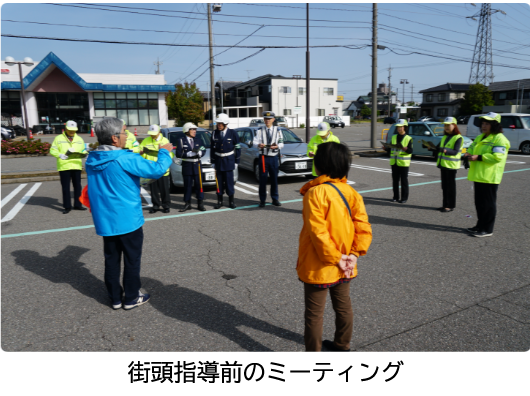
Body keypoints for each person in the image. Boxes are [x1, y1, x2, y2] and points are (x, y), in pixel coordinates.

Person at [85, 118, 174, 310]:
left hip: (105, 220)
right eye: (125, 132)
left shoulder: (91, 159)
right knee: (132, 259)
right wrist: (165, 151)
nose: (128, 136)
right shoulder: (125, 158)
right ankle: (132, 297)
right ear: (115, 138)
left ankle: (115, 298)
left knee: (111, 259)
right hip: (128, 219)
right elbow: (157, 170)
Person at [297, 142, 372, 352]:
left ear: (320, 164)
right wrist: (355, 254)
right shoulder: (351, 192)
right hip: (347, 261)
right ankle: (342, 345)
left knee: (314, 314)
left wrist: (335, 257)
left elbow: (318, 232)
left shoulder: (316, 193)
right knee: (343, 305)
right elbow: (363, 226)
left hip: (319, 263)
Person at [464, 112, 510, 238]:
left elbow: (497, 157)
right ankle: (480, 225)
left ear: (495, 125)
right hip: (479, 175)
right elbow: (471, 148)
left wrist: (478, 157)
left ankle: (487, 229)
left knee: (488, 204)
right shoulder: (481, 137)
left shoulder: (500, 139)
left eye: (487, 124)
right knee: (479, 203)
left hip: (490, 177)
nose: (484, 126)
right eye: (483, 123)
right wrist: (467, 154)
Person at [49, 120, 88, 214]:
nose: (72, 132)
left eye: (74, 130)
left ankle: (78, 205)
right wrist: (59, 155)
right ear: (65, 128)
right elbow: (52, 150)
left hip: (76, 165)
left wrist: (85, 154)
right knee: (66, 187)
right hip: (64, 166)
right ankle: (67, 206)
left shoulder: (79, 139)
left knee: (77, 187)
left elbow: (83, 150)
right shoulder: (58, 138)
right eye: (70, 130)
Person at [428, 117, 464, 213]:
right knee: (444, 186)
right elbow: (438, 148)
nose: (446, 127)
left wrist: (444, 150)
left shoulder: (458, 137)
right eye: (445, 125)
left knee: (450, 187)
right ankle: (445, 204)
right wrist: (431, 148)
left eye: (448, 125)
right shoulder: (445, 137)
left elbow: (455, 151)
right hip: (443, 164)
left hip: (451, 166)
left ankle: (450, 206)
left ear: (454, 125)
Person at [139, 124, 174, 214]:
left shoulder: (165, 141)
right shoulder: (146, 141)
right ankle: (155, 205)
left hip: (163, 170)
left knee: (164, 189)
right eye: (151, 133)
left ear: (159, 132)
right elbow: (140, 152)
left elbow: (170, 155)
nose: (152, 135)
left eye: (154, 133)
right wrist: (141, 152)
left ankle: (166, 205)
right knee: (153, 189)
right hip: (151, 169)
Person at [253, 111, 284, 207]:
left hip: (274, 157)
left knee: (274, 179)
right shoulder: (259, 130)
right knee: (263, 179)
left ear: (273, 119)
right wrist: (258, 145)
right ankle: (262, 200)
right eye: (266, 119)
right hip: (263, 158)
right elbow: (254, 142)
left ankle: (275, 199)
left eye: (269, 119)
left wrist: (277, 146)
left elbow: (282, 143)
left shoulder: (278, 130)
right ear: (264, 120)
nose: (267, 120)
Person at [210, 113, 241, 209]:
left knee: (229, 182)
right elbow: (212, 148)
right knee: (219, 182)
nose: (218, 125)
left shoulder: (233, 133)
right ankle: (220, 201)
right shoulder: (214, 133)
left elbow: (238, 148)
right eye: (217, 123)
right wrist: (213, 161)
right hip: (219, 161)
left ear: (225, 124)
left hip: (229, 161)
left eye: (220, 123)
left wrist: (236, 161)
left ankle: (231, 201)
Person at [176, 122, 206, 212]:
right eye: (192, 129)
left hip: (197, 165)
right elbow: (178, 153)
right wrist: (188, 154)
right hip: (187, 166)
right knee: (187, 186)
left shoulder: (198, 140)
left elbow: (203, 149)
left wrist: (200, 153)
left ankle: (200, 203)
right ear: (187, 130)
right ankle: (187, 203)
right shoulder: (181, 140)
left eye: (195, 129)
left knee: (199, 185)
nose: (194, 131)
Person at [386, 119, 413, 203]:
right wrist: (386, 148)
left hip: (403, 163)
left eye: (401, 127)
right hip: (394, 162)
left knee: (404, 181)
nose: (399, 128)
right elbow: (391, 149)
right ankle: (395, 197)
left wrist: (406, 149)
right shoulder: (394, 137)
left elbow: (410, 151)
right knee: (395, 180)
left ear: (405, 127)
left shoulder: (409, 138)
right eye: (398, 127)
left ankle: (404, 198)